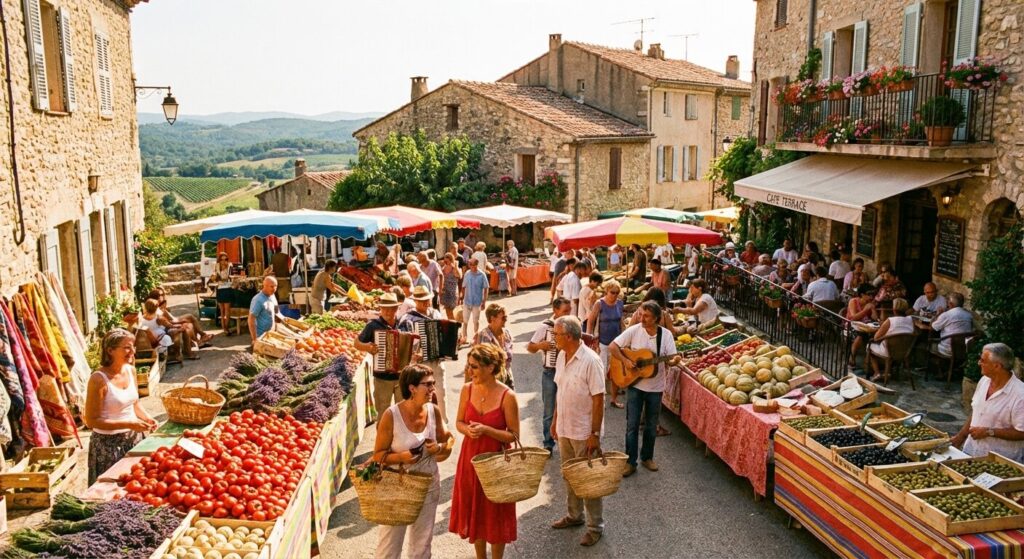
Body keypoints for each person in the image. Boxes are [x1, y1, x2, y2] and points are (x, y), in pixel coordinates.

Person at [373, 364, 452, 559]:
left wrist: (440, 448)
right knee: (390, 546)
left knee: (422, 545)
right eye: (428, 384)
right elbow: (378, 455)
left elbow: (449, 438)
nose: (433, 388)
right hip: (398, 488)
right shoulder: (391, 415)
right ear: (412, 388)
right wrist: (401, 457)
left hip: (428, 485)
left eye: (433, 383)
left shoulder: (433, 411)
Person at [450, 344, 520, 558]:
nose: (469, 371)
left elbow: (514, 436)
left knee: (496, 513)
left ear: (490, 368)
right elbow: (459, 422)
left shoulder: (508, 396)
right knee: (475, 511)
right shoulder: (467, 389)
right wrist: (467, 430)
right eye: (469, 366)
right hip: (470, 459)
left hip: (497, 462)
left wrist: (488, 430)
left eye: (474, 367)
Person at [550, 316, 606, 547]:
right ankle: (574, 516)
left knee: (588, 481)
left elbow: (599, 399)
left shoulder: (591, 361)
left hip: (584, 432)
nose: (554, 339)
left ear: (570, 336)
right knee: (569, 475)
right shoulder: (562, 356)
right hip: (565, 427)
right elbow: (559, 390)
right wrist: (554, 421)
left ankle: (595, 527)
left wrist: (594, 433)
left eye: (557, 335)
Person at [610, 301, 681, 477]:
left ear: (656, 318)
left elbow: (671, 359)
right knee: (632, 425)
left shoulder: (665, 336)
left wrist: (673, 361)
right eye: (641, 314)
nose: (642, 318)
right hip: (635, 385)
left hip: (655, 388)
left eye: (646, 316)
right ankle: (630, 462)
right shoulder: (634, 330)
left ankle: (647, 457)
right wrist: (626, 361)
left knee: (651, 426)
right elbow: (613, 346)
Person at [84, 329, 158, 485]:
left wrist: (147, 418)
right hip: (108, 446)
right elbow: (91, 421)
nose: (132, 351)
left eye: (133, 347)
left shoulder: (130, 370)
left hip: (134, 439)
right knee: (112, 492)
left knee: (137, 487)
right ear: (110, 350)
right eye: (126, 347)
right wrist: (128, 424)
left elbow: (135, 403)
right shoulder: (98, 379)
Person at [951, 344, 1024, 461]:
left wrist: (989, 432)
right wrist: (961, 436)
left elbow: (1022, 433)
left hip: (999, 461)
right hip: (971, 451)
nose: (979, 363)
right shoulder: (985, 381)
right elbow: (977, 411)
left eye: (983, 360)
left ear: (997, 366)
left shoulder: (1020, 395)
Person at [398, 286, 451, 424]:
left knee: (441, 393)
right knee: (419, 396)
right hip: (419, 365)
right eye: (421, 300)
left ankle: (442, 423)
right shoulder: (407, 319)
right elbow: (402, 341)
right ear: (415, 301)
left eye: (427, 300)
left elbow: (443, 335)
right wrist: (414, 352)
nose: (425, 303)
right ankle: (419, 422)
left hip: (436, 362)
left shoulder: (436, 314)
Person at [528, 297, 572, 455]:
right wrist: (541, 345)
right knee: (549, 409)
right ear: (555, 311)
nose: (568, 314)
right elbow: (530, 347)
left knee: (567, 407)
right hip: (550, 371)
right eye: (565, 311)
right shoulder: (545, 327)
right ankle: (548, 443)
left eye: (569, 311)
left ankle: (566, 440)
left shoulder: (572, 325)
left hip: (568, 372)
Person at [354, 293, 404, 415]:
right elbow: (356, 343)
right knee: (383, 412)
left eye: (391, 309)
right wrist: (367, 347)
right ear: (380, 309)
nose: (387, 312)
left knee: (403, 412)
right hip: (382, 377)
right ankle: (382, 434)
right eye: (384, 309)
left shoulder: (403, 324)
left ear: (396, 309)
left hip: (402, 376)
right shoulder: (373, 326)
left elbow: (414, 344)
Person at [587, 280, 625, 409]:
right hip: (602, 342)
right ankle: (599, 400)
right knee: (601, 372)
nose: (614, 295)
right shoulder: (600, 303)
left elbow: (621, 322)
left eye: (617, 293)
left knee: (615, 372)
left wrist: (625, 338)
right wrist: (590, 338)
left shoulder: (620, 303)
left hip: (616, 343)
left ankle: (613, 399)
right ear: (606, 291)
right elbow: (591, 321)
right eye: (612, 292)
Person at [867, 298, 914, 382]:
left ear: (894, 309)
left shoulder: (890, 321)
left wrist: (885, 333)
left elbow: (876, 338)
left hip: (889, 351)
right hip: (904, 351)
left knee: (869, 345)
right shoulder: (911, 319)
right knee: (892, 344)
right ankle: (888, 372)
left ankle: (877, 373)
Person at [474, 303, 514, 389]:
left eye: (506, 317)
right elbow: (482, 361)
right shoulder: (484, 335)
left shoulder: (507, 333)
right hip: (491, 381)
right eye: (503, 318)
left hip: (507, 377)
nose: (506, 320)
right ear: (492, 318)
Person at [930, 292, 975, 357]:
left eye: (947, 303)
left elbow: (932, 327)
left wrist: (938, 314)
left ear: (951, 304)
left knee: (928, 344)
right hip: (962, 351)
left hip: (947, 351)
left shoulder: (947, 315)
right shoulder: (969, 315)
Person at [845, 284, 878, 371]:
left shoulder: (870, 303)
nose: (871, 297)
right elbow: (853, 318)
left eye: (873, 295)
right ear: (862, 294)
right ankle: (852, 359)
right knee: (860, 335)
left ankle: (869, 362)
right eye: (869, 295)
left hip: (865, 326)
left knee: (874, 335)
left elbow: (875, 319)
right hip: (851, 325)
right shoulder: (853, 301)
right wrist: (865, 310)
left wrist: (873, 309)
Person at [461, 262, 489, 345]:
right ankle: (464, 337)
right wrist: (461, 298)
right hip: (467, 300)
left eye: (474, 265)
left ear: (477, 264)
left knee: (475, 321)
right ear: (469, 265)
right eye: (471, 265)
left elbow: (486, 288)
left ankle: (476, 338)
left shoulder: (482, 274)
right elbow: (463, 286)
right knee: (465, 320)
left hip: (477, 301)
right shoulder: (467, 274)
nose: (473, 266)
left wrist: (484, 301)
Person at [248, 276, 279, 345]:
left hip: (271, 334)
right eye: (271, 286)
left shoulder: (272, 296)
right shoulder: (258, 300)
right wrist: (254, 339)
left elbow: (277, 312)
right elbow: (251, 320)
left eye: (276, 286)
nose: (274, 289)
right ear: (265, 286)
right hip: (261, 337)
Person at [209, 252, 233, 333]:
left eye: (225, 259)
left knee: (227, 310)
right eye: (222, 259)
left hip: (227, 288)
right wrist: (214, 277)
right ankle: (224, 328)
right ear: (219, 260)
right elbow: (213, 278)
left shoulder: (230, 266)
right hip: (220, 289)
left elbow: (231, 277)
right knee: (221, 310)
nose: (223, 261)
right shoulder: (217, 266)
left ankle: (226, 328)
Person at [440, 253, 462, 320]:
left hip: (453, 292)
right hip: (446, 291)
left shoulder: (454, 268)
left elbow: (459, 276)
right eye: (445, 261)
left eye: (447, 261)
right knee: (447, 311)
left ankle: (454, 326)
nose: (446, 262)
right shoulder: (443, 268)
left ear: (451, 260)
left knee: (453, 311)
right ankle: (450, 325)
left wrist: (455, 266)